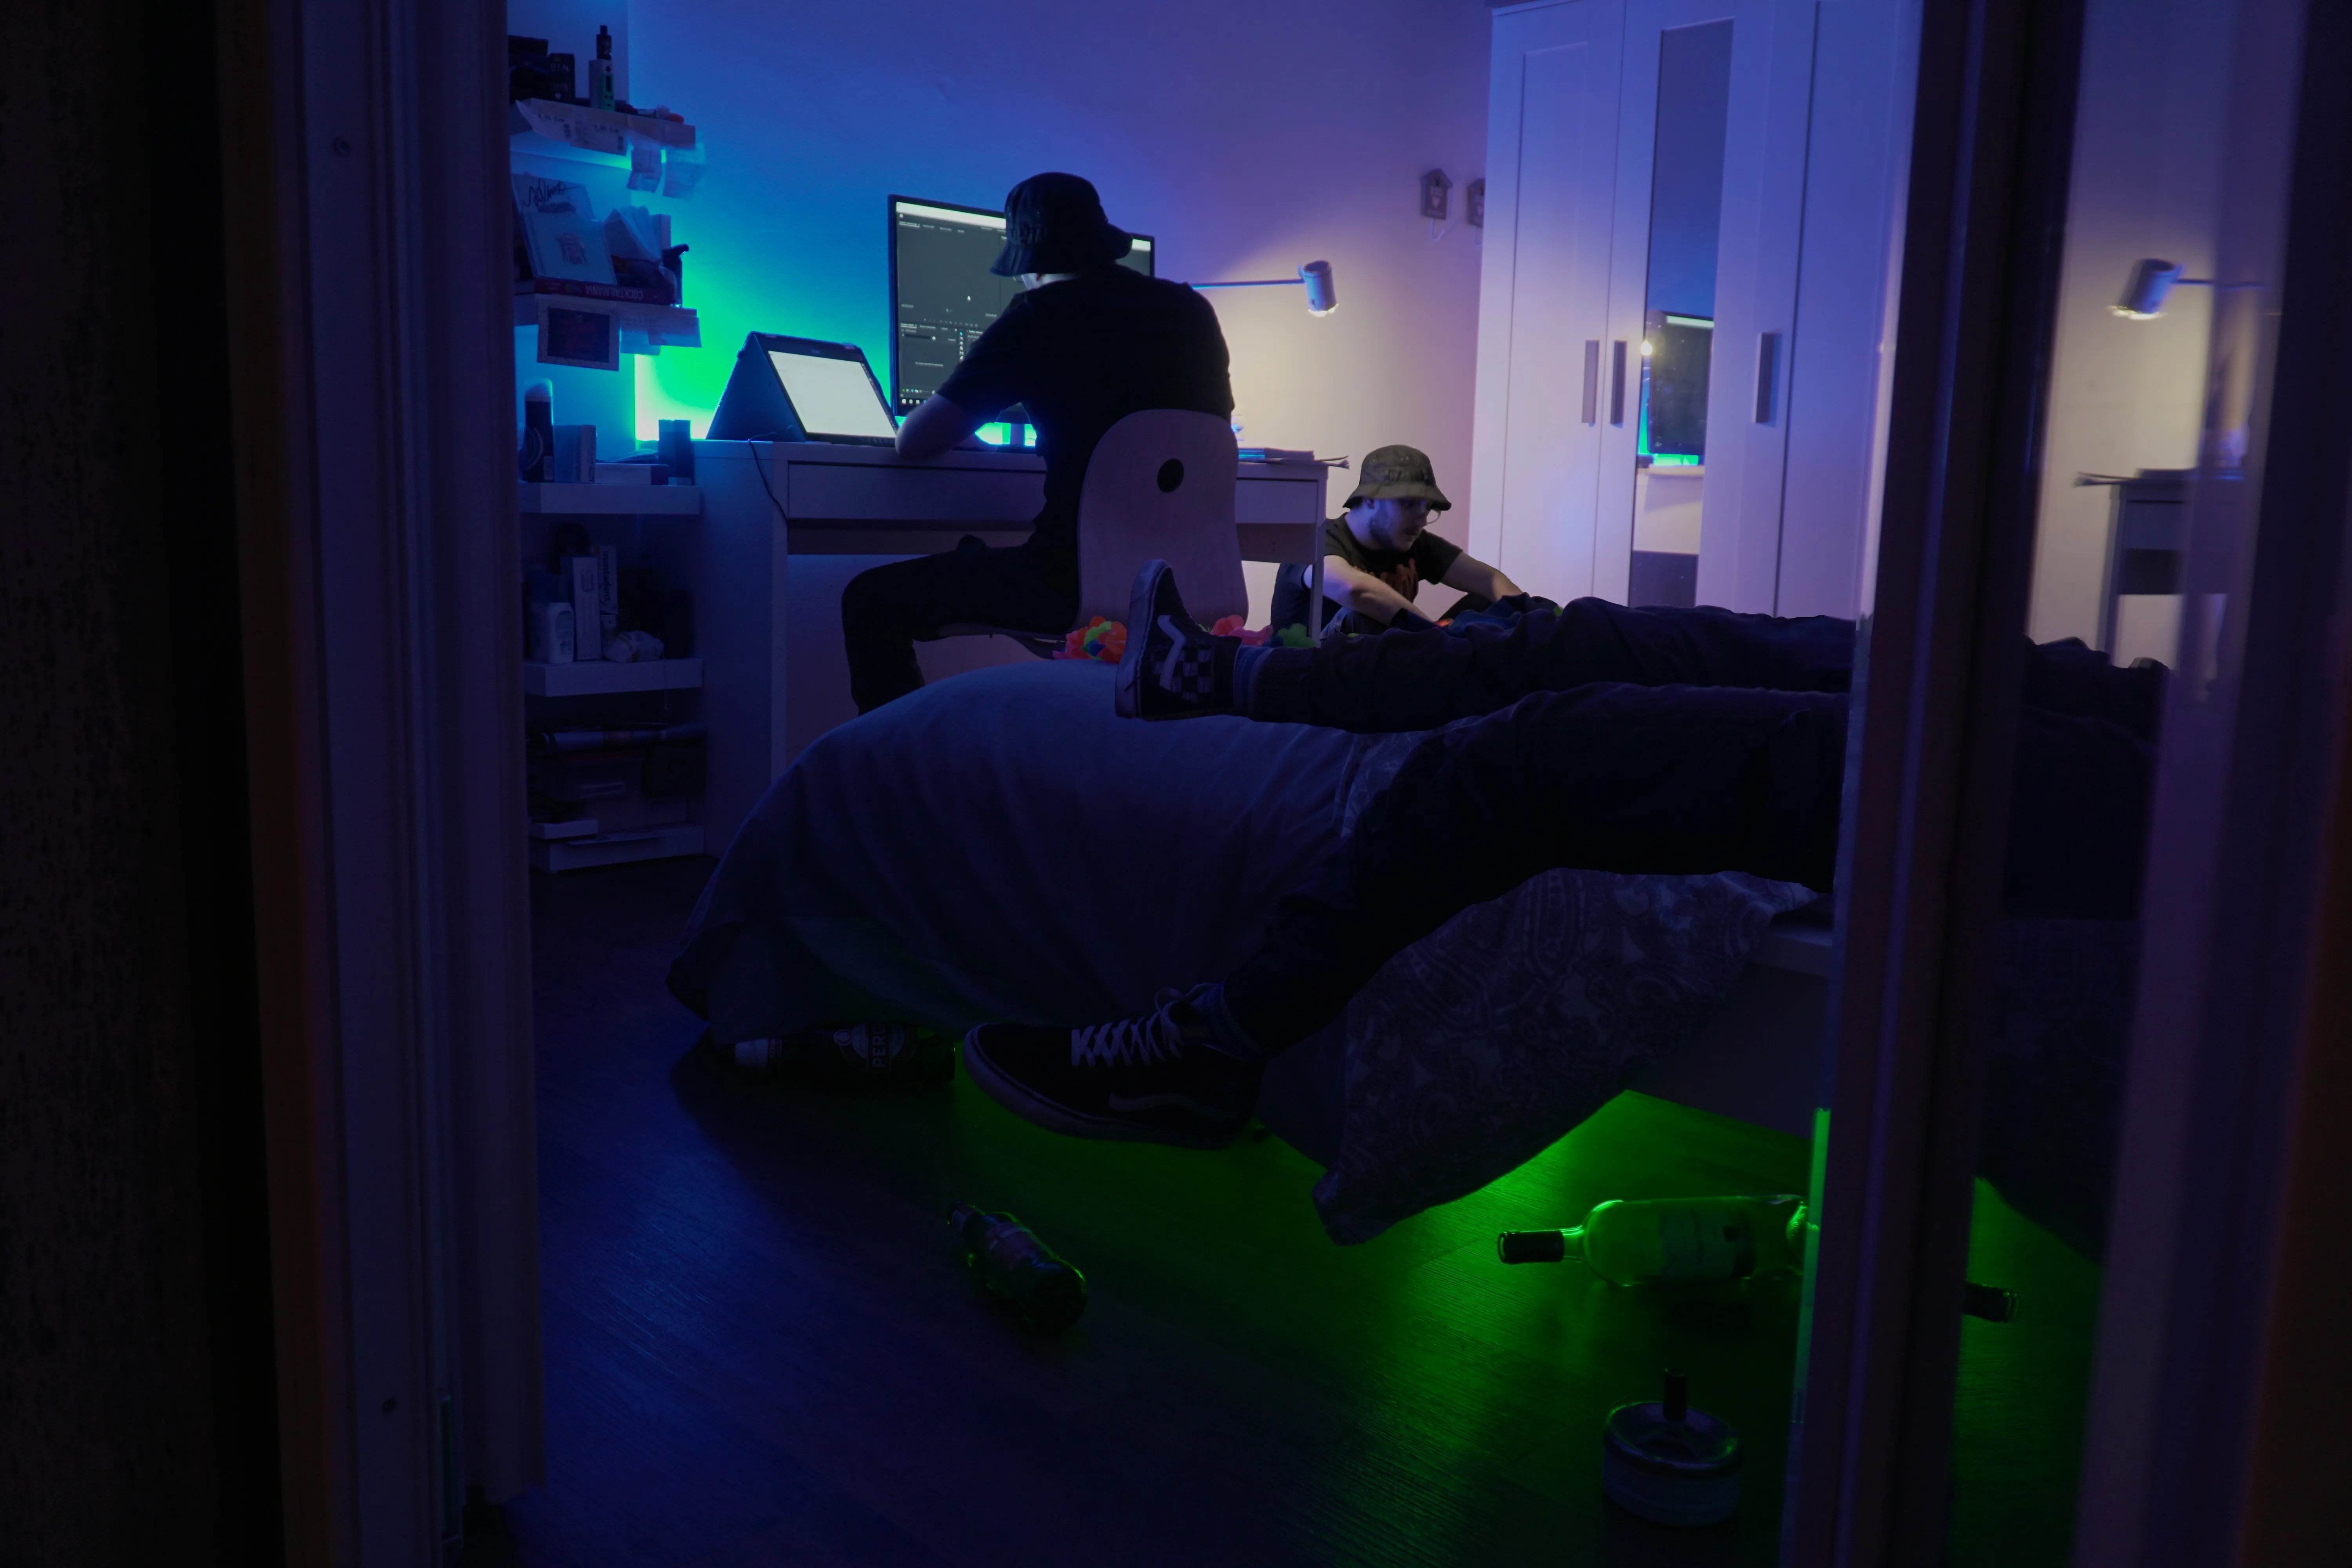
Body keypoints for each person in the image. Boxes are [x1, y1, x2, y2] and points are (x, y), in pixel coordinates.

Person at [967, 560, 2163, 1149]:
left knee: (1539, 755)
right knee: (1592, 636)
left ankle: (1216, 1045)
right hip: (2170, 711)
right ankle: (1213, 675)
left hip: (2163, 800)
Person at [841, 172, 1234, 713]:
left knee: (870, 598)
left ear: (1030, 263)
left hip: (1067, 582)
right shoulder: (1192, 311)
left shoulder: (1040, 314)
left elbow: (916, 441)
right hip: (1189, 581)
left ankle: (896, 760)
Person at [1267, 445, 1523, 639]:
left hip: (1389, 664)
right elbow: (1355, 590)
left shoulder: (1413, 540)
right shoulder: (1315, 539)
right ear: (1370, 499)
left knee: (1490, 604)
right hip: (1315, 670)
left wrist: (1536, 615)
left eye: (1427, 508)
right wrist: (1435, 635)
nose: (1421, 519)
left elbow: (1490, 580)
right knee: (1359, 616)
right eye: (1409, 504)